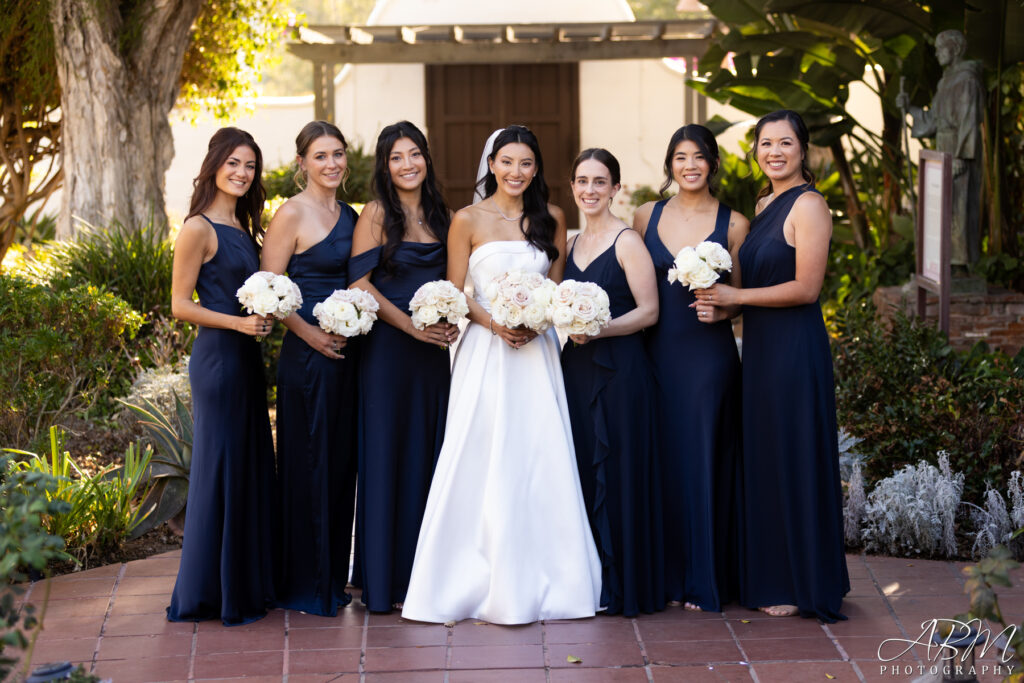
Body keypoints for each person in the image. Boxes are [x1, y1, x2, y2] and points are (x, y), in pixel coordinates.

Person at [401, 125, 601, 625]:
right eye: (507, 162)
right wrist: (495, 322)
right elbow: (453, 291)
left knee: (539, 454)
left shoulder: (552, 217)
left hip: (536, 355)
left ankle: (554, 580)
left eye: (526, 164)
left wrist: (537, 323)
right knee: (479, 451)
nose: (516, 172)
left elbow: (556, 289)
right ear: (491, 164)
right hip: (485, 352)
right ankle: (465, 580)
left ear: (536, 169)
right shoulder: (466, 219)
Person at [695, 109, 849, 622]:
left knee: (793, 456)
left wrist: (737, 294)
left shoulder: (809, 206)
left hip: (794, 351)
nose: (774, 152)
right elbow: (748, 292)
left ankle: (801, 581)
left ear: (803, 150)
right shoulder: (764, 204)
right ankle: (769, 573)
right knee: (765, 458)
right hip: (760, 351)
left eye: (785, 143)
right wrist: (719, 303)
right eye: (765, 143)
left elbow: (806, 287)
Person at [634, 125, 747, 613]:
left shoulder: (735, 223)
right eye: (680, 157)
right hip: (654, 354)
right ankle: (665, 577)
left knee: (703, 461)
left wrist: (722, 309)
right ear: (669, 165)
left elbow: (739, 300)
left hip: (707, 359)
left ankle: (704, 579)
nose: (689, 165)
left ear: (713, 164)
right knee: (661, 462)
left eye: (698, 157)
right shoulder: (644, 215)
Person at [167, 127, 276, 625]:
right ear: (214, 165)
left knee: (248, 462)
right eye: (233, 162)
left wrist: (266, 316)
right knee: (221, 467)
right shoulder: (198, 228)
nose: (241, 172)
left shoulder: (245, 226)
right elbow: (179, 305)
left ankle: (246, 583)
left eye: (249, 165)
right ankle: (210, 593)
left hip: (246, 358)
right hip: (217, 359)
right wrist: (238, 322)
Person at [348, 121, 456, 612]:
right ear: (384, 166)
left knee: (428, 457)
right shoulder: (375, 213)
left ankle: (424, 574)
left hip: (432, 358)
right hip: (389, 353)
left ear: (427, 159)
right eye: (397, 157)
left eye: (415, 154)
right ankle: (384, 579)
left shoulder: (444, 215)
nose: (408, 164)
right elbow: (360, 285)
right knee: (388, 455)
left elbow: (457, 285)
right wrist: (411, 328)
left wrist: (451, 321)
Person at [260, 120, 359, 617]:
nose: (332, 164)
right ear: (302, 163)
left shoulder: (352, 213)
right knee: (307, 461)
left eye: (338, 154)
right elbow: (269, 291)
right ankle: (304, 581)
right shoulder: (290, 215)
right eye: (321, 155)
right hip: (306, 356)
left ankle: (333, 577)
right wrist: (311, 335)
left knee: (341, 465)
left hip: (347, 355)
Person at [560, 148, 664, 617]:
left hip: (621, 372)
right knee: (582, 470)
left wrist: (601, 327)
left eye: (600, 182)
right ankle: (591, 580)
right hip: (576, 370)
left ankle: (624, 585)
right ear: (572, 187)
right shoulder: (569, 242)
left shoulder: (627, 241)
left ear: (616, 189)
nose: (590, 190)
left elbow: (649, 311)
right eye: (582, 181)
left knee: (617, 475)